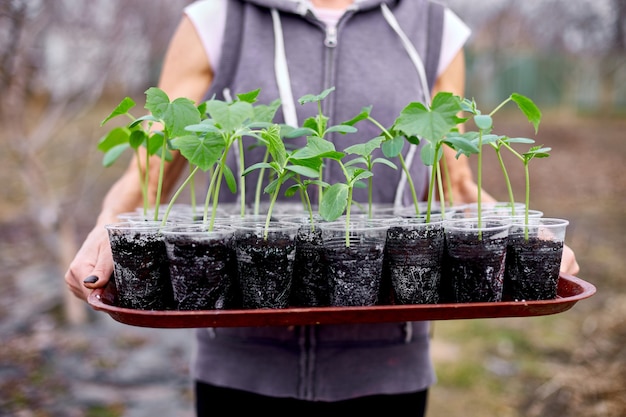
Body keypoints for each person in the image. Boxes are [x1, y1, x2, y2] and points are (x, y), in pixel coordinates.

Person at [65, 0, 580, 415]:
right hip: (241, 356)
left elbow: (455, 180)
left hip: (387, 357)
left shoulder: (430, 25)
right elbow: (154, 164)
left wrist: (528, 237)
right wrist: (106, 229)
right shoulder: (221, 17)